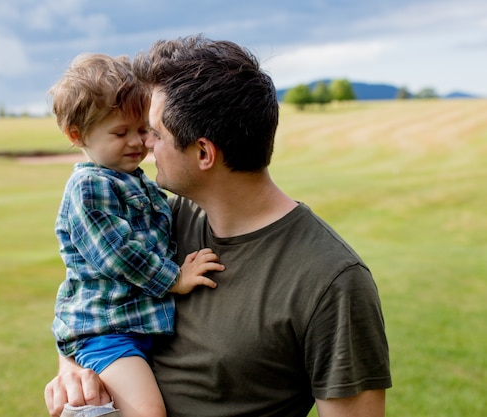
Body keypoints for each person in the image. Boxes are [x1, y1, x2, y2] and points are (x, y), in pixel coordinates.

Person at [45, 36, 392, 417]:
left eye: (155, 133)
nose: (145, 146)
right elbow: (90, 300)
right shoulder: (165, 221)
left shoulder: (331, 280)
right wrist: (73, 370)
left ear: (204, 153)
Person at [48, 52, 224, 417]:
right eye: (120, 133)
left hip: (138, 326)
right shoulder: (90, 185)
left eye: (142, 129)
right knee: (147, 412)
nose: (138, 142)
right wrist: (174, 279)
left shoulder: (133, 181)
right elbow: (117, 253)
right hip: (108, 332)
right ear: (77, 134)